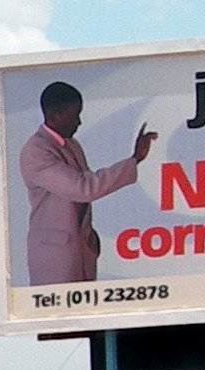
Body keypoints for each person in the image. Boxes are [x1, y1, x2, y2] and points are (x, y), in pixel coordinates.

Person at [20, 81, 158, 285]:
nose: (79, 122)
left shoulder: (72, 145)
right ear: (54, 114)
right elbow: (82, 188)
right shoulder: (36, 151)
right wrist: (134, 159)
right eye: (74, 115)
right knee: (59, 316)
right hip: (54, 257)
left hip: (79, 251)